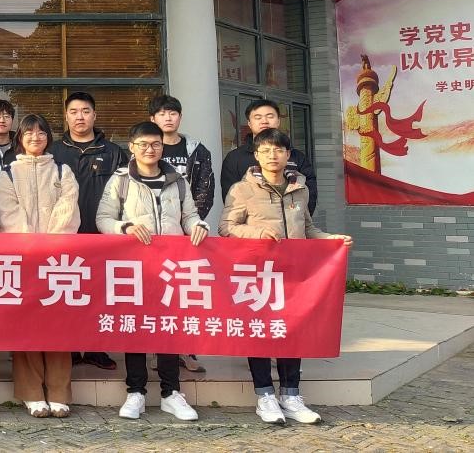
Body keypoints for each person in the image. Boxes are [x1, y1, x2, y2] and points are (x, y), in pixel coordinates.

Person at [220, 128, 352, 426]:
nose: (273, 155)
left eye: (278, 150)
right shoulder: (242, 189)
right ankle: (265, 395)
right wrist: (257, 232)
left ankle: (291, 395)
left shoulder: (299, 188)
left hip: (293, 275)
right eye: (266, 150)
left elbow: (308, 229)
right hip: (258, 273)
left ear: (288, 155)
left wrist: (331, 240)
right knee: (260, 333)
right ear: (256, 155)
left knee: (292, 331)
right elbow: (226, 227)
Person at [95, 121, 207, 423]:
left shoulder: (177, 180)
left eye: (155, 144)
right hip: (135, 267)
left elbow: (189, 215)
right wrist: (125, 227)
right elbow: (103, 219)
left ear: (162, 146)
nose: (150, 149)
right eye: (143, 144)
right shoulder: (121, 181)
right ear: (132, 147)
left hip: (171, 267)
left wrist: (197, 226)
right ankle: (136, 392)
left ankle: (171, 393)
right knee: (136, 329)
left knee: (169, 329)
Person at [0, 113, 79, 419]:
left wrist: (51, 245)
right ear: (20, 138)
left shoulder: (62, 170)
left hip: (57, 260)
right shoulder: (8, 172)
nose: (35, 137)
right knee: (27, 326)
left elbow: (68, 207)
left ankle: (59, 392)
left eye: (41, 132)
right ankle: (31, 392)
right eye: (29, 133)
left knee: (59, 325)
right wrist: (30, 246)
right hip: (23, 259)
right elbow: (8, 212)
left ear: (48, 137)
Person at [48, 91, 127, 371]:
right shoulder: (53, 152)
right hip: (63, 235)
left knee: (99, 293)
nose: (79, 117)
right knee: (65, 291)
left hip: (101, 235)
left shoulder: (114, 152)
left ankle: (96, 348)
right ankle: (68, 348)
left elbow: (126, 194)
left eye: (85, 111)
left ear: (94, 115)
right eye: (73, 112)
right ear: (66, 116)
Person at [148, 94, 216, 374]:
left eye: (173, 113)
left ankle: (187, 351)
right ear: (153, 118)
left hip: (186, 236)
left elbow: (205, 190)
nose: (168, 118)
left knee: (185, 294)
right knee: (156, 294)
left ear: (180, 117)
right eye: (162, 113)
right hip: (153, 237)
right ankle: (158, 351)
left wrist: (191, 225)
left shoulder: (197, 150)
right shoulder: (147, 147)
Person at [221, 99, 318, 214]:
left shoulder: (296, 156)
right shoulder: (235, 158)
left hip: (292, 221)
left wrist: (297, 219)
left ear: (278, 121)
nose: (264, 121)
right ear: (249, 123)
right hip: (253, 224)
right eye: (258, 117)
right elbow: (231, 198)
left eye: (270, 116)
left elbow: (309, 193)